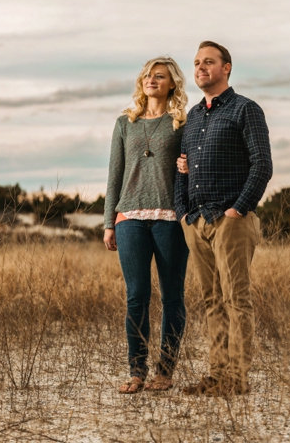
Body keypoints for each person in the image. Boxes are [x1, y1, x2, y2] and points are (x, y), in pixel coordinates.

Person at [174, 41, 273, 396]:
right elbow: (181, 169)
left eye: (209, 62)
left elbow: (262, 165)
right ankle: (216, 375)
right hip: (196, 221)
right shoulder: (194, 116)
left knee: (236, 300)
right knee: (211, 300)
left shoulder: (246, 110)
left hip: (232, 220)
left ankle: (237, 379)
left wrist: (237, 210)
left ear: (226, 67)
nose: (201, 68)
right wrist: (183, 212)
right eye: (197, 63)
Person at [103, 56, 190, 394]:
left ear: (172, 84)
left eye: (160, 76)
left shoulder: (182, 122)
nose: (152, 80)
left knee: (172, 297)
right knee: (136, 296)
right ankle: (136, 370)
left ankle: (165, 371)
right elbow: (114, 175)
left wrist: (187, 167)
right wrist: (110, 221)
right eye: (148, 75)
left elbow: (190, 167)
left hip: (170, 219)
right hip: (130, 220)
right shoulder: (125, 122)